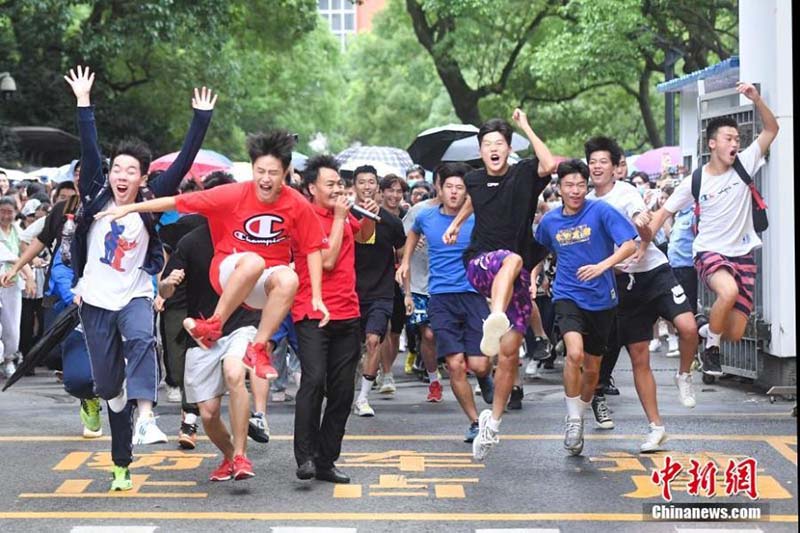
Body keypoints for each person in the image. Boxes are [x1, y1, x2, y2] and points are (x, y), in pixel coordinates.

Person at [63, 65, 216, 491]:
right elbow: (90, 149)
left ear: (144, 178)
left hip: (133, 294)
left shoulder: (150, 200)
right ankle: (121, 464)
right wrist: (84, 103)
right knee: (109, 387)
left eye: (131, 170)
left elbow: (183, 162)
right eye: (118, 169)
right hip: (94, 300)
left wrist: (200, 119)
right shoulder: (95, 194)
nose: (122, 176)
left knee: (142, 338)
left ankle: (147, 415)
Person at [97, 130, 330, 384]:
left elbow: (313, 249)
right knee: (254, 261)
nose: (265, 179)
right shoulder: (233, 194)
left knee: (289, 278)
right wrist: (130, 207)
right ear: (252, 169)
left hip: (263, 284)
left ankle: (259, 348)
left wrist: (317, 296)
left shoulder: (296, 203)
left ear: (285, 172)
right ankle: (213, 324)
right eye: (260, 171)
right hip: (229, 271)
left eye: (272, 173)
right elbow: (175, 202)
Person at [442, 108, 557, 460]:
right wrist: (458, 224)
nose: (493, 149)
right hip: (481, 263)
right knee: (513, 258)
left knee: (508, 355)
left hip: (514, 279)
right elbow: (473, 201)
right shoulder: (474, 178)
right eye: (487, 144)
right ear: (480, 152)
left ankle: (493, 422)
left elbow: (549, 164)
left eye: (500, 144)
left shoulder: (524, 173)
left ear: (508, 149)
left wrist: (525, 125)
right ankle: (494, 315)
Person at [649, 82, 779, 375]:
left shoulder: (746, 163)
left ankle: (709, 329)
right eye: (728, 138)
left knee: (735, 331)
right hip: (709, 251)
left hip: (743, 252)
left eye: (737, 139)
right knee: (728, 291)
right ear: (712, 144)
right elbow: (664, 212)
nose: (735, 143)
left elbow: (771, 130)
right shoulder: (695, 181)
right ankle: (711, 349)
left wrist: (756, 99)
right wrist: (643, 242)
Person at [585, 137, 699, 449]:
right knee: (639, 357)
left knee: (688, 327)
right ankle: (656, 427)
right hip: (621, 283)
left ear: (615, 167)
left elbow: (642, 222)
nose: (597, 166)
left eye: (603, 161)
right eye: (592, 161)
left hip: (655, 272)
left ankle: (684, 375)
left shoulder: (627, 192)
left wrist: (642, 226)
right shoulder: (585, 202)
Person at [535, 160, 638, 456]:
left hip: (602, 299)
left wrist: (602, 266)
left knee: (592, 371)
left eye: (581, 184)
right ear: (559, 188)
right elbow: (539, 250)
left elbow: (629, 244)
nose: (576, 190)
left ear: (587, 185)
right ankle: (573, 419)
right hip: (567, 295)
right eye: (569, 185)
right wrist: (534, 276)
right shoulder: (550, 222)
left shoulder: (601, 211)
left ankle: (583, 407)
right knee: (574, 354)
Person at [293, 155, 378, 484]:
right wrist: (342, 216)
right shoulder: (305, 217)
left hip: (348, 311)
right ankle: (305, 457)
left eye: (339, 185)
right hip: (313, 312)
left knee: (343, 393)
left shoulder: (344, 215)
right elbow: (326, 261)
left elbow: (365, 236)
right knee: (314, 382)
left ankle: (326, 459)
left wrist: (367, 211)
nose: (336, 189)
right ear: (312, 187)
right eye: (330, 184)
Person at [397, 162, 495, 442]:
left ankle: (485, 376)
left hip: (474, 296)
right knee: (454, 364)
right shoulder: (426, 217)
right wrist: (405, 263)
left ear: (467, 192)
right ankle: (475, 422)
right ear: (439, 189)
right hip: (440, 297)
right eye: (448, 187)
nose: (453, 192)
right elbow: (413, 232)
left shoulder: (478, 218)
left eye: (460, 188)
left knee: (478, 365)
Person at [159, 210, 260, 482]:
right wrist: (168, 284)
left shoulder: (249, 238)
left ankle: (241, 455)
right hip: (202, 331)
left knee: (234, 373)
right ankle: (229, 455)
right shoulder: (191, 242)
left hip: (242, 323)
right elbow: (164, 290)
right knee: (208, 412)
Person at [352, 165, 406, 417]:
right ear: (354, 186)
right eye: (361, 182)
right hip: (349, 293)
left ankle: (363, 397)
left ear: (377, 187)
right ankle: (345, 390)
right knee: (350, 349)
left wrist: (406, 290)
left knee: (374, 340)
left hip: (382, 292)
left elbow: (402, 255)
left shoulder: (392, 222)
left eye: (371, 182)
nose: (366, 186)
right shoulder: (345, 216)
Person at [0, 197, 36, 378]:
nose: (6, 215)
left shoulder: (17, 231)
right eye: (2, 211)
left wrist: (29, 277)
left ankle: (8, 359)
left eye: (9, 212)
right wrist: (28, 275)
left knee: (12, 329)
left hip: (12, 285)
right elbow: (11, 257)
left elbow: (24, 256)